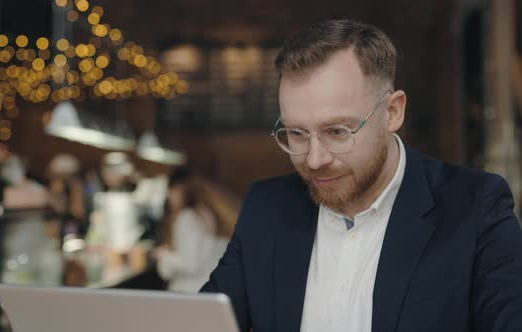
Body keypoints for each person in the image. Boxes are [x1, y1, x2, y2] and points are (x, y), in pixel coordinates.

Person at [201, 19, 522, 332]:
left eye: (337, 131)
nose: (315, 160)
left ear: (392, 112)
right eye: (296, 133)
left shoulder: (475, 207)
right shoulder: (266, 208)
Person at [153, 167, 233, 293]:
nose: (168, 195)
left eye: (171, 189)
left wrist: (164, 255)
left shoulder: (187, 218)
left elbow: (191, 264)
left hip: (189, 293)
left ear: (181, 189)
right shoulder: (208, 214)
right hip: (210, 290)